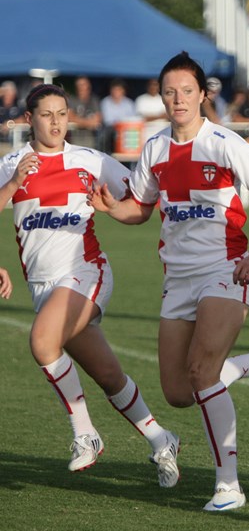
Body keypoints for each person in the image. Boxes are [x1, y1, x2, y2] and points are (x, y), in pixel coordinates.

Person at [88, 52, 249, 511]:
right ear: (160, 97)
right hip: (176, 278)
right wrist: (110, 208)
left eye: (187, 90)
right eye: (169, 91)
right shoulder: (155, 148)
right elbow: (141, 208)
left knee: (202, 374)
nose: (178, 99)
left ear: (203, 94)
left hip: (226, 268)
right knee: (180, 392)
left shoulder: (224, 143)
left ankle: (228, 486)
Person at [0, 84, 181, 486]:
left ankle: (86, 435)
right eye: (47, 115)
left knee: (42, 343)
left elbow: (141, 204)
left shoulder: (91, 161)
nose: (56, 123)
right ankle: (161, 439)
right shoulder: (12, 162)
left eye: (62, 114)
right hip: (43, 287)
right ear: (29, 120)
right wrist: (12, 186)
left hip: (86, 272)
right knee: (108, 375)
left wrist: (113, 207)